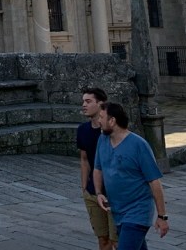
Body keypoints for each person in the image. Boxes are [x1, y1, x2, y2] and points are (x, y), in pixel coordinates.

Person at [94, 103, 169, 250]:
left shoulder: (139, 145)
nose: (98, 121)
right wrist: (98, 193)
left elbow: (155, 182)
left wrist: (162, 216)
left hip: (138, 212)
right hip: (117, 212)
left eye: (101, 117)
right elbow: (98, 169)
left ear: (112, 121)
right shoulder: (102, 140)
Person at [77, 87, 117, 250]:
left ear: (100, 104)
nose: (84, 105)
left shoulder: (112, 131)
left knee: (118, 241)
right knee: (103, 240)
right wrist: (84, 187)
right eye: (83, 101)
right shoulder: (83, 130)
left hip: (114, 193)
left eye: (88, 101)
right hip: (93, 192)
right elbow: (84, 159)